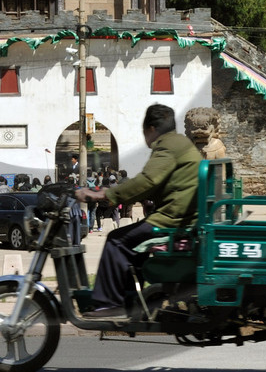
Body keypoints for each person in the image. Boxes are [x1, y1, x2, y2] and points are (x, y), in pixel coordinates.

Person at [74, 104, 201, 319]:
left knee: (116, 239)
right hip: (180, 215)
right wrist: (119, 192)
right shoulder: (180, 143)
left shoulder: (167, 146)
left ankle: (111, 304)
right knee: (130, 238)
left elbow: (149, 179)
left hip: (172, 220)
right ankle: (132, 298)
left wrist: (105, 195)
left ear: (150, 129)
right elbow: (155, 184)